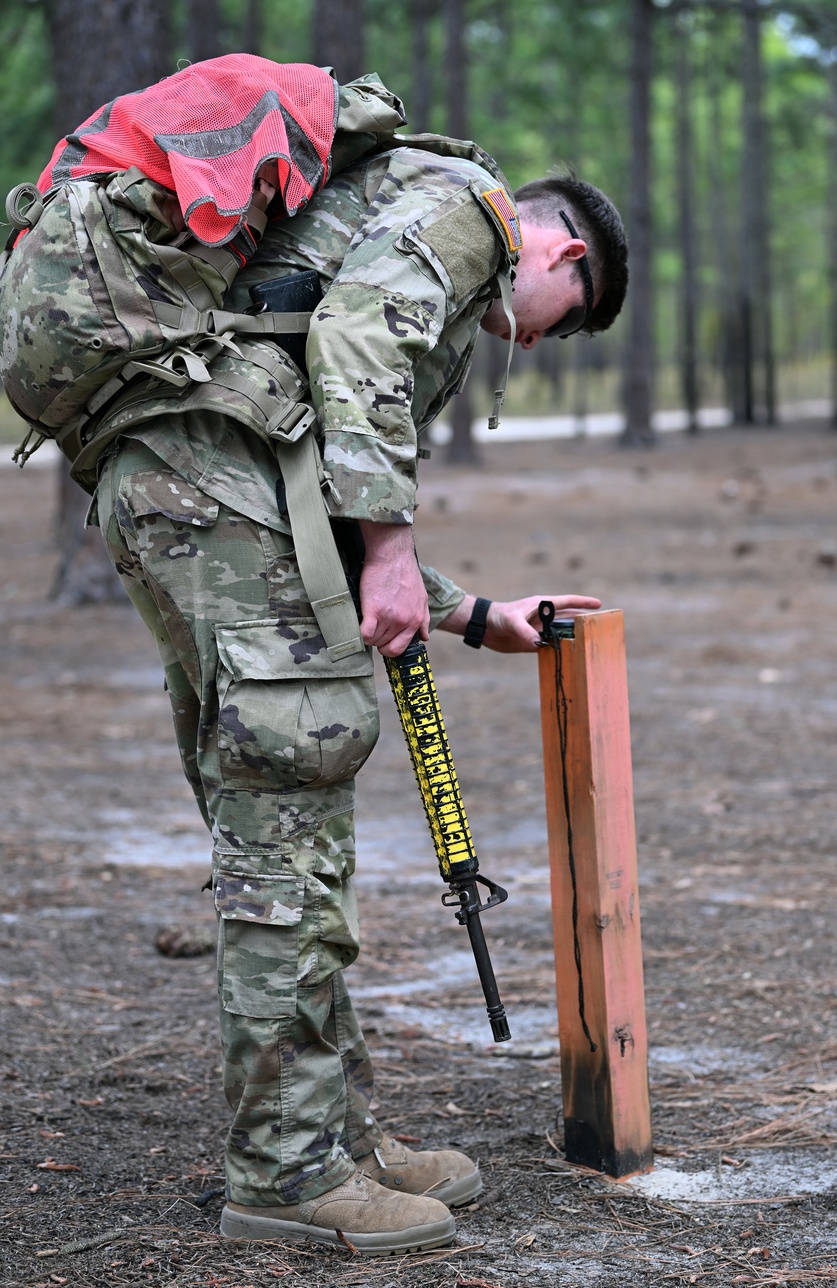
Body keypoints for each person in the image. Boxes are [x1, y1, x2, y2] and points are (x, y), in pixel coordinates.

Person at [91, 113, 628, 1255]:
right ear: (565, 258)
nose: (531, 343)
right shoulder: (469, 209)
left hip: (207, 486)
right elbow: (357, 348)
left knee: (294, 822)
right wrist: (388, 554)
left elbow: (314, 458)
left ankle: (334, 1138)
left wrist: (468, 612)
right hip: (206, 488)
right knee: (290, 820)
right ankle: (284, 1176)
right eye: (561, 325)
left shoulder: (394, 209)